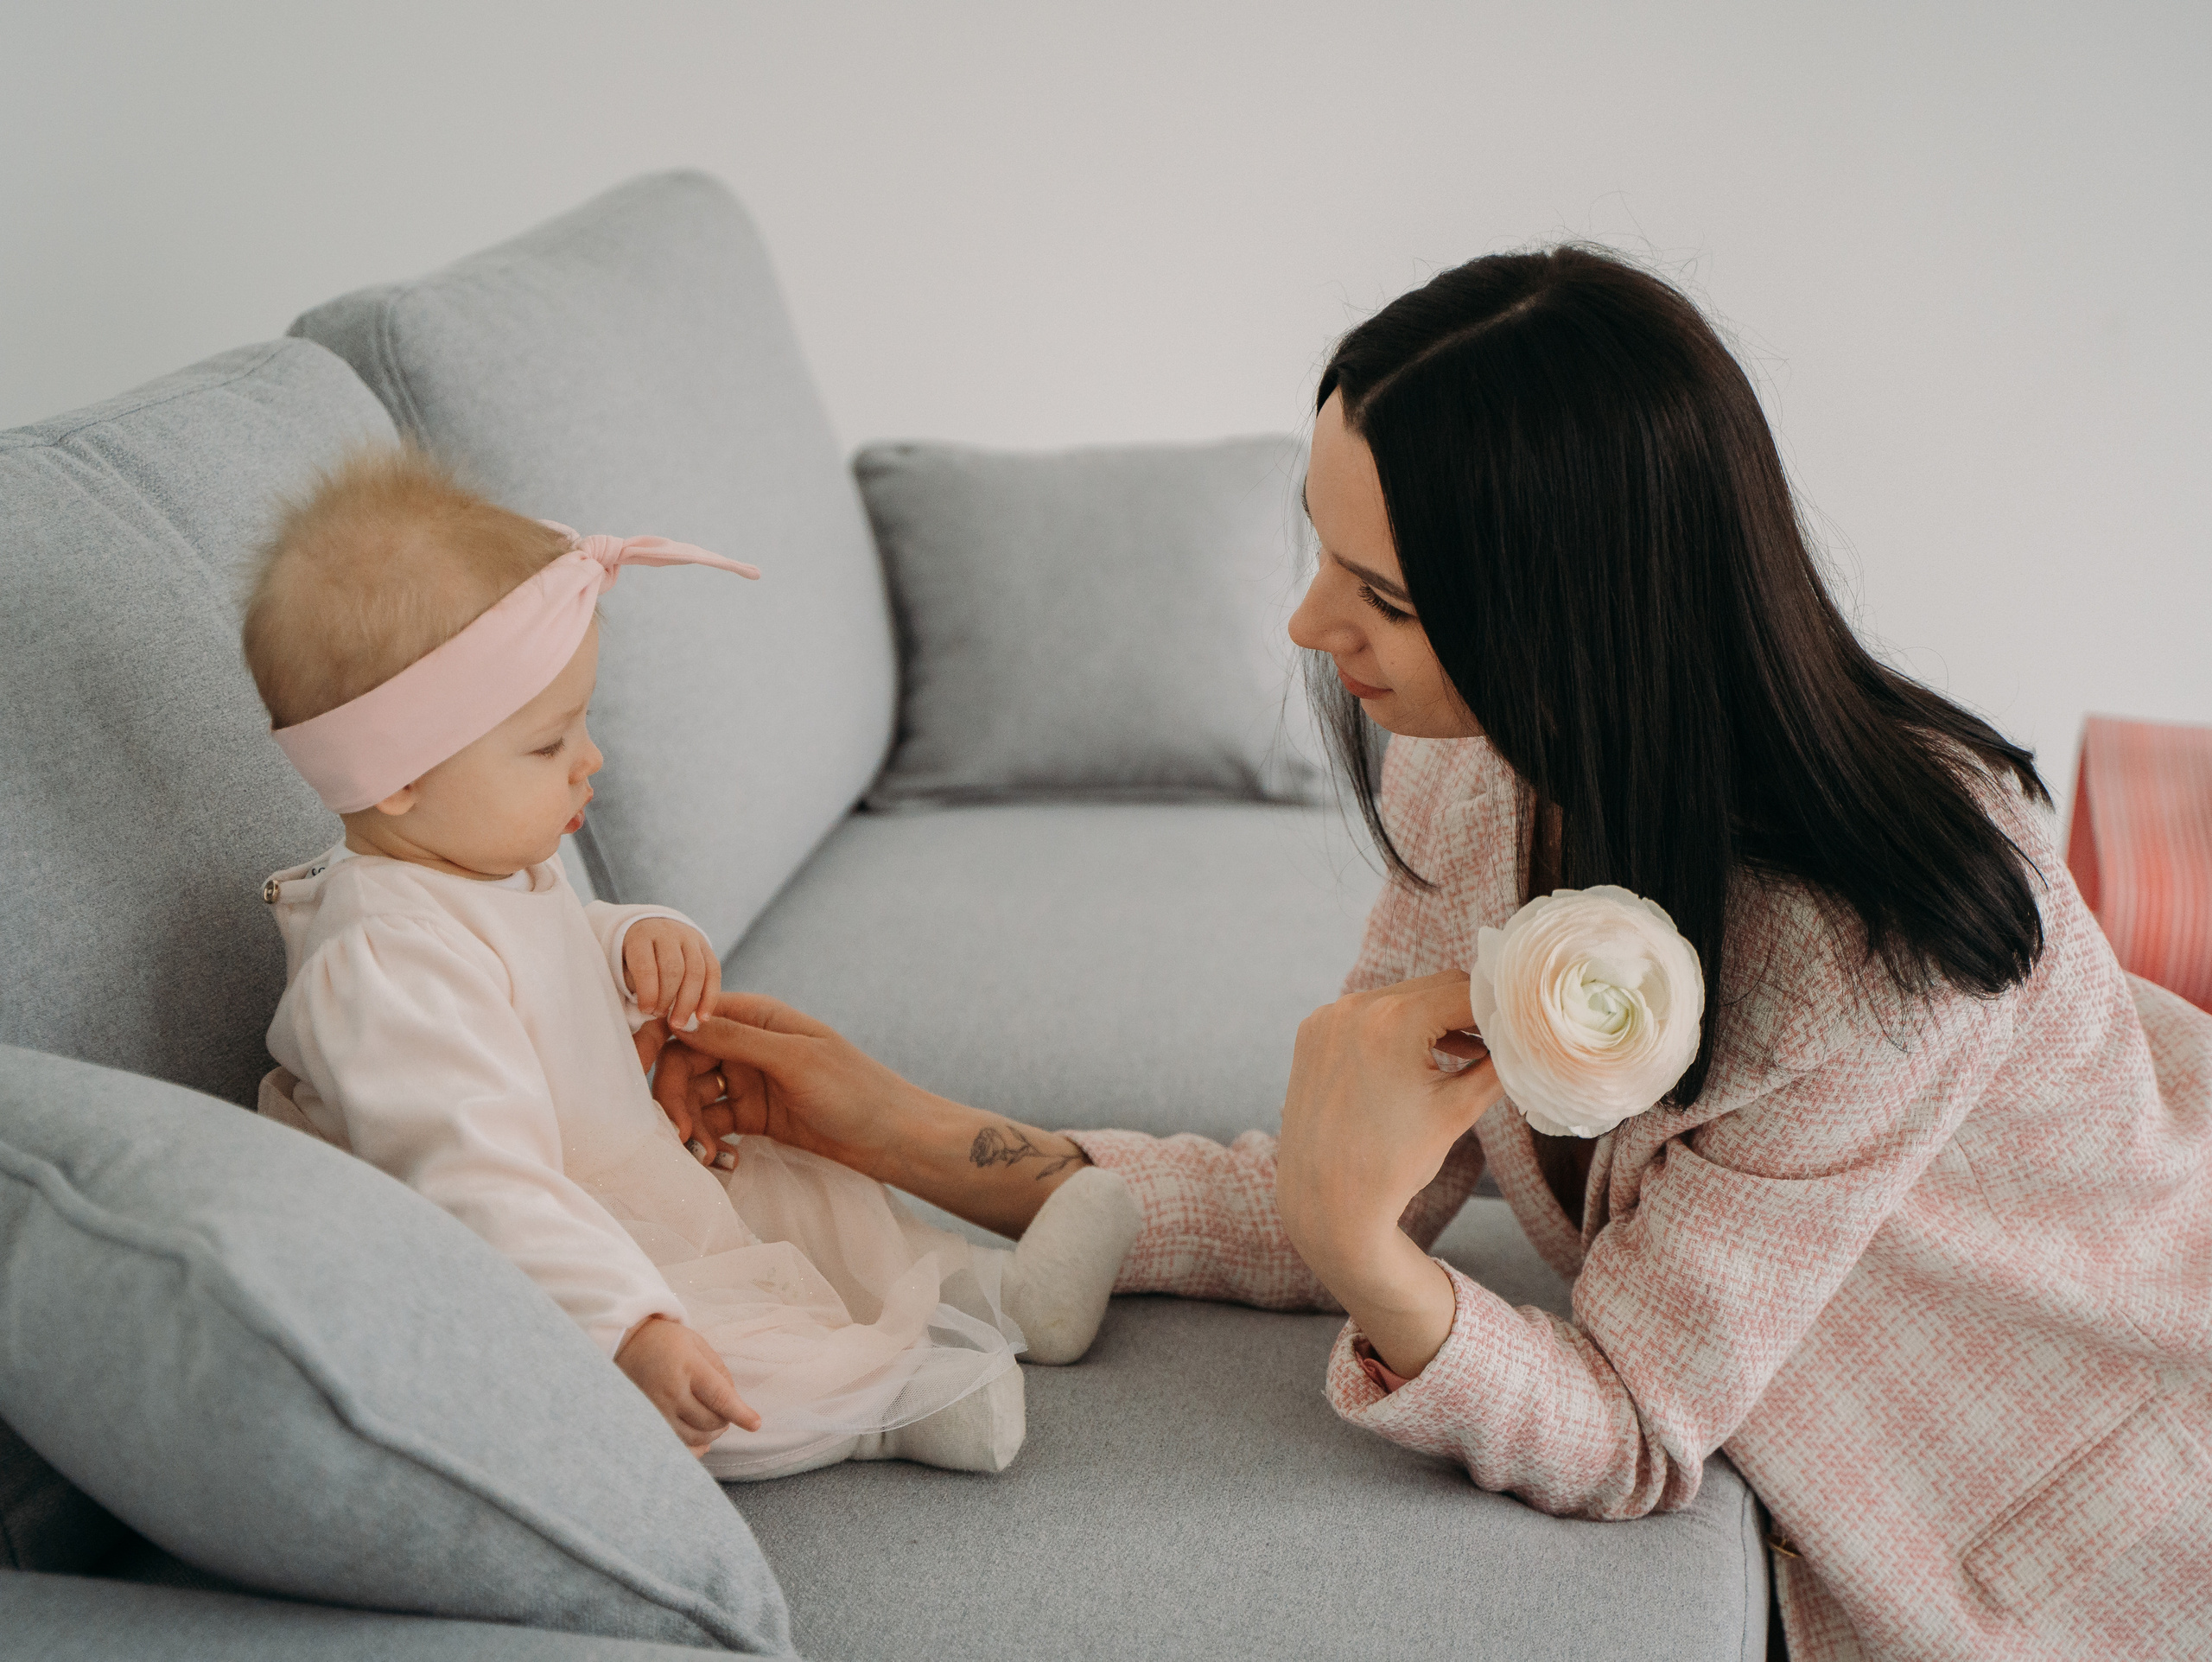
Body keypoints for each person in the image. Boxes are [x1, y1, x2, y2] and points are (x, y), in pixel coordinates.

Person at [645, 250, 2212, 1659]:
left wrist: (1372, 1265)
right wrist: (897, 1126)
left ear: (1575, 611)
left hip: (2095, 1513)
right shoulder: (1482, 768)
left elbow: (1628, 1429)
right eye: (1324, 549)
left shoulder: (1865, 965)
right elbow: (1344, 1177)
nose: (1305, 623)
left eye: (1382, 595)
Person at [243, 449, 1141, 1481]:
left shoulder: (482, 863)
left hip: (629, 1171)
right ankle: (882, 1409)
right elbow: (475, 1182)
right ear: (396, 779)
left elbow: (550, 947)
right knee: (696, 1366)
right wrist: (628, 1323)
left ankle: (990, 1292)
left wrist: (633, 936)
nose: (590, 760)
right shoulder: (382, 961)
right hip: (548, 1254)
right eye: (548, 744)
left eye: (583, 723)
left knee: (802, 1184)